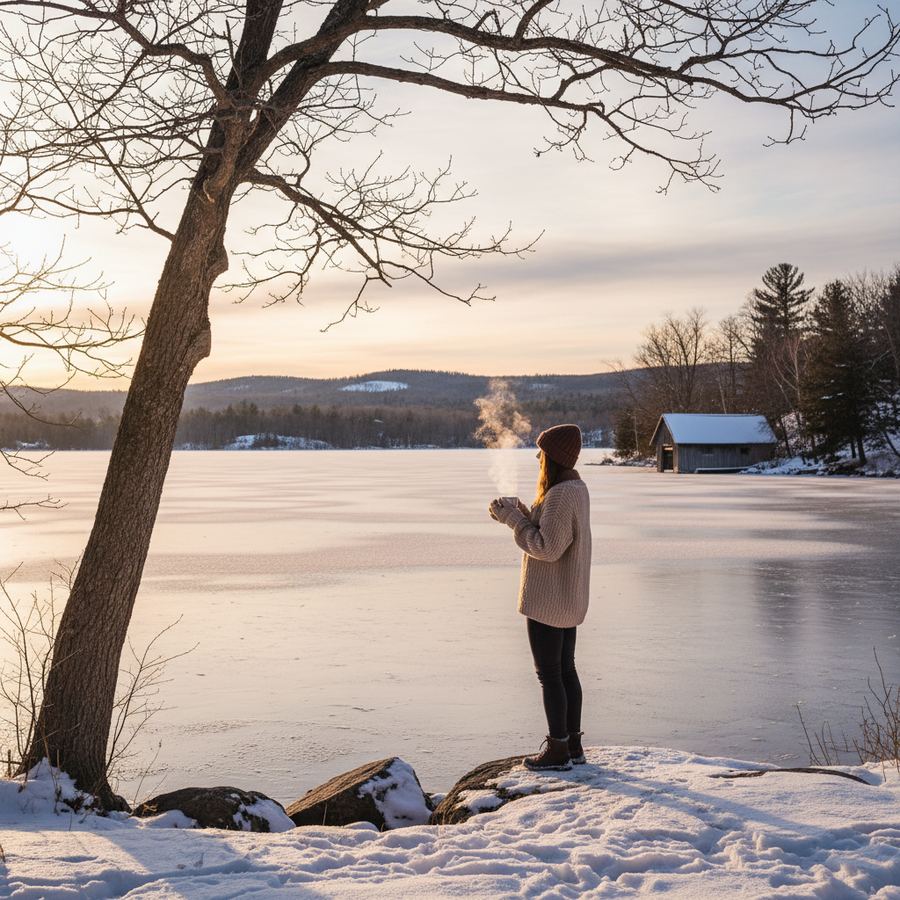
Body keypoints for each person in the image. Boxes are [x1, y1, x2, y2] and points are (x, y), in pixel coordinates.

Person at [489, 423, 592, 771]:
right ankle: (573, 745)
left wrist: (514, 521)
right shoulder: (574, 488)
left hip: (550, 601)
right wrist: (524, 511)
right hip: (567, 597)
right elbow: (554, 530)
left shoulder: (562, 494)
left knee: (551, 674)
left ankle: (558, 749)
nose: (537, 457)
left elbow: (547, 547)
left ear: (554, 457)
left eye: (542, 452)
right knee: (565, 671)